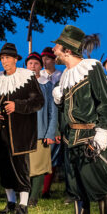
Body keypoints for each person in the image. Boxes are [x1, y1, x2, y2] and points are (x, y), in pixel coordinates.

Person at [52, 25, 107, 214]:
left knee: (99, 183)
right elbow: (68, 112)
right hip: (70, 138)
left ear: (68, 50)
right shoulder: (65, 76)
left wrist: (101, 133)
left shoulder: (92, 68)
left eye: (57, 46)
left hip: (89, 136)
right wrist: (59, 102)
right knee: (76, 185)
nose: (54, 49)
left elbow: (106, 103)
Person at [0, 43, 44, 214]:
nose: (4, 61)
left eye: (8, 57)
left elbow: (38, 101)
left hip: (21, 132)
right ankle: (11, 202)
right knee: (5, 169)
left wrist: (18, 105)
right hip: (3, 133)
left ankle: (23, 204)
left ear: (15, 59)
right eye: (2, 58)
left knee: (21, 168)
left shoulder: (27, 77)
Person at [25, 52, 57, 207]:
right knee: (26, 165)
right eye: (30, 63)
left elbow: (53, 111)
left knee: (38, 167)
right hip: (24, 132)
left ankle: (33, 197)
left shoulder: (47, 85)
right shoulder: (21, 83)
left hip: (41, 130)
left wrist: (51, 132)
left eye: (36, 63)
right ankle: (25, 195)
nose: (32, 66)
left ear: (40, 66)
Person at [40, 47, 64, 199]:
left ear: (54, 60)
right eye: (43, 58)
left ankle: (46, 190)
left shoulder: (60, 76)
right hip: (41, 116)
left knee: (53, 154)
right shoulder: (39, 75)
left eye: (47, 58)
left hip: (56, 116)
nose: (44, 61)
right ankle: (36, 187)